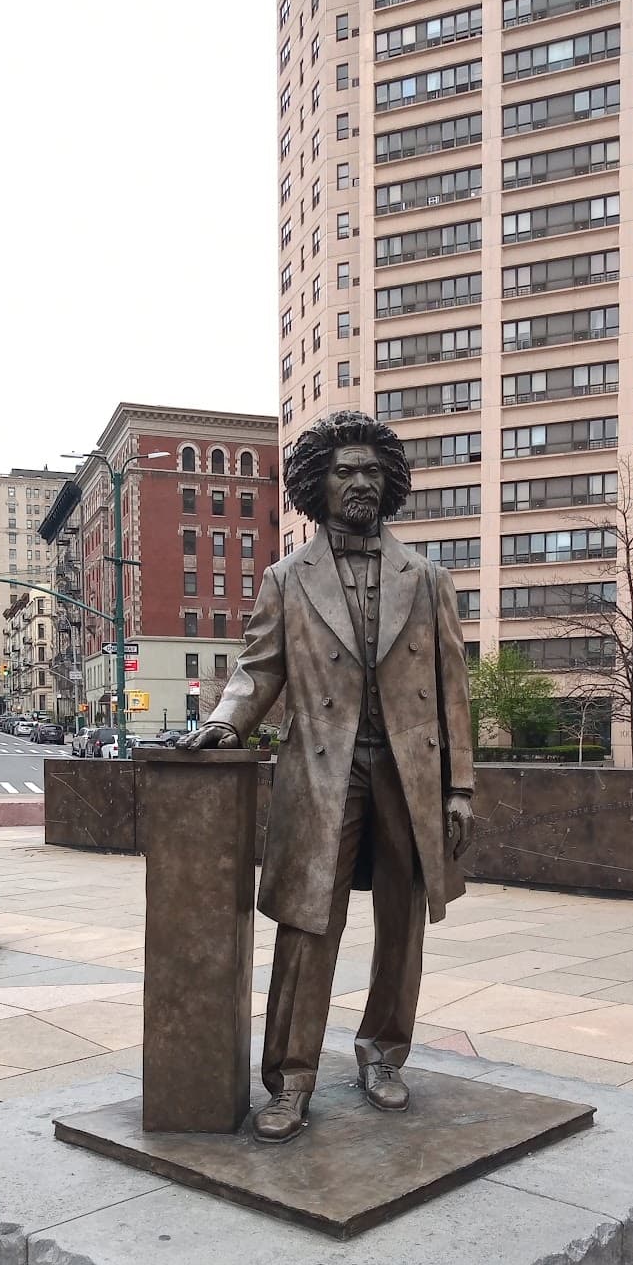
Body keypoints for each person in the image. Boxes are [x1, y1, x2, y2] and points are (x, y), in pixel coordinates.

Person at [180, 411, 474, 1143]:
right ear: (319, 483)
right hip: (322, 774)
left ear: (390, 482)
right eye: (346, 470)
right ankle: (292, 1078)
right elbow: (257, 671)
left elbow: (453, 690)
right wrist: (226, 721)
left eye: (372, 470)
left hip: (409, 773)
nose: (361, 482)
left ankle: (383, 1055)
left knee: (403, 925)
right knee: (309, 924)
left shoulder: (428, 580)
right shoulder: (287, 579)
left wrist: (460, 787)